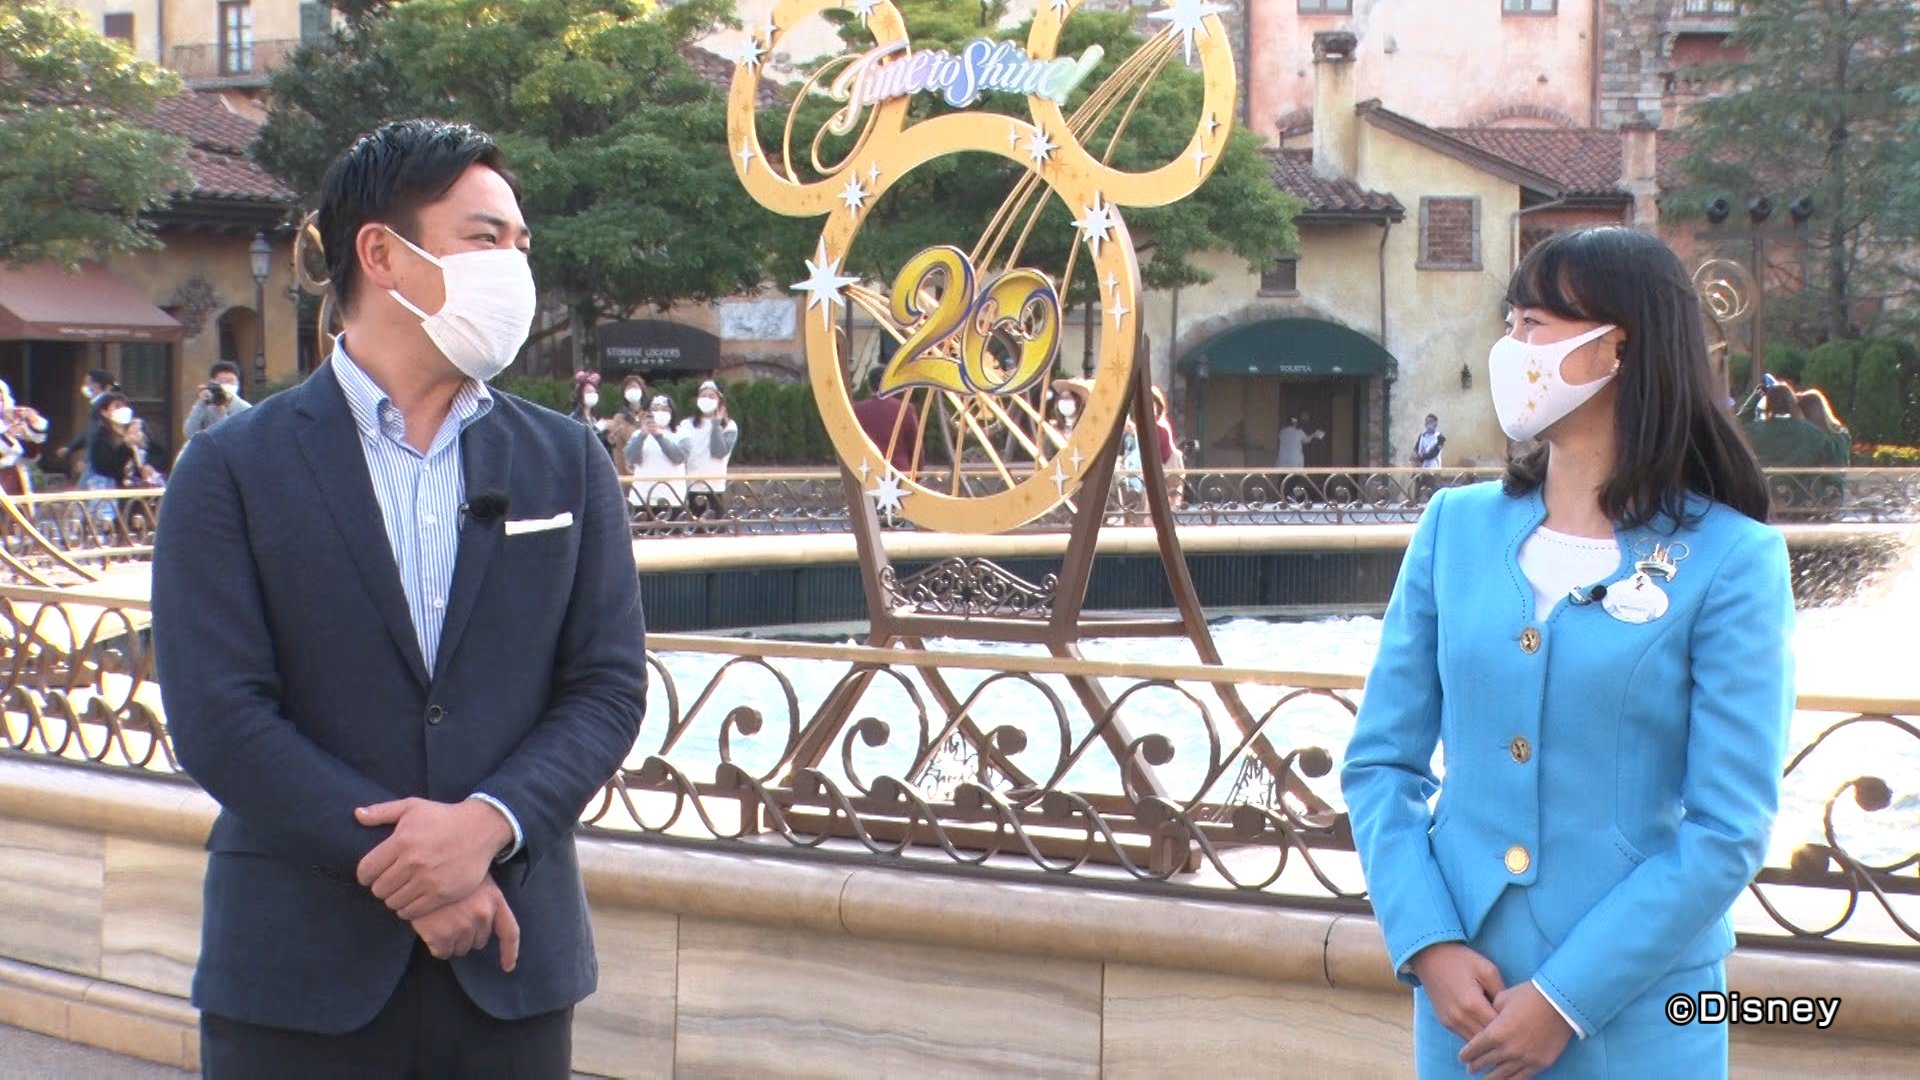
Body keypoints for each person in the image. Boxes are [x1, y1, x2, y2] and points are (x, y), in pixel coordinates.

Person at [150, 119, 646, 1078]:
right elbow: (219, 716)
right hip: (295, 975)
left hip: (510, 966)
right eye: (485, 238)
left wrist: (485, 826)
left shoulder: (567, 461)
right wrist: (420, 869)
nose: (514, 266)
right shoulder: (230, 468)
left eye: (521, 243)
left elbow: (607, 687)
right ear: (381, 254)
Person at [1340, 227, 1791, 1079]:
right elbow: (1380, 766)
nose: (1512, 347)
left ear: (1620, 346)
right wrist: (1428, 942)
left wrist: (1565, 998)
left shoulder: (1734, 559)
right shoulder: (1452, 529)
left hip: (1640, 1015)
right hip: (1464, 1003)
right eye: (1510, 322)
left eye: (1535, 324)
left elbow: (1728, 829)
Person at [678, 380, 738, 526]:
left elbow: (719, 452)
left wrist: (716, 425)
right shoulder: (686, 425)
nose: (706, 399)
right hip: (690, 486)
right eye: (703, 396)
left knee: (715, 530)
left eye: (711, 396)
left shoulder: (729, 426)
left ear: (720, 401)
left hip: (715, 487)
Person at [625, 393, 688, 526]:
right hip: (642, 497)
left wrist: (659, 436)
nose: (660, 412)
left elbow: (678, 458)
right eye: (655, 409)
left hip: (671, 497)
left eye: (664, 409)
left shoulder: (682, 434)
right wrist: (642, 436)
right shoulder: (637, 434)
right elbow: (631, 458)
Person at [853, 366, 921, 475]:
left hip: (867, 472)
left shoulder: (857, 410)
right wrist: (917, 474)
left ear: (870, 386)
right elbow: (916, 446)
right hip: (900, 472)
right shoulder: (906, 409)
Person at [0, 379, 49, 496]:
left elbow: (37, 439)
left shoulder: (11, 419)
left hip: (15, 479)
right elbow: (10, 448)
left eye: (1, 399)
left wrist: (33, 420)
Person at [184, 361, 252, 441]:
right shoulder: (206, 405)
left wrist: (221, 415)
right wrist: (200, 403)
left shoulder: (245, 409)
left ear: (237, 383)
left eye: (230, 380)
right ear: (213, 382)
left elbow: (238, 437)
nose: (227, 384)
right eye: (222, 381)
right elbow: (189, 432)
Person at [602, 374, 649, 475]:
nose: (632, 390)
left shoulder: (650, 415)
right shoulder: (619, 418)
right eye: (629, 388)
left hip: (649, 471)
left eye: (635, 387)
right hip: (627, 472)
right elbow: (617, 450)